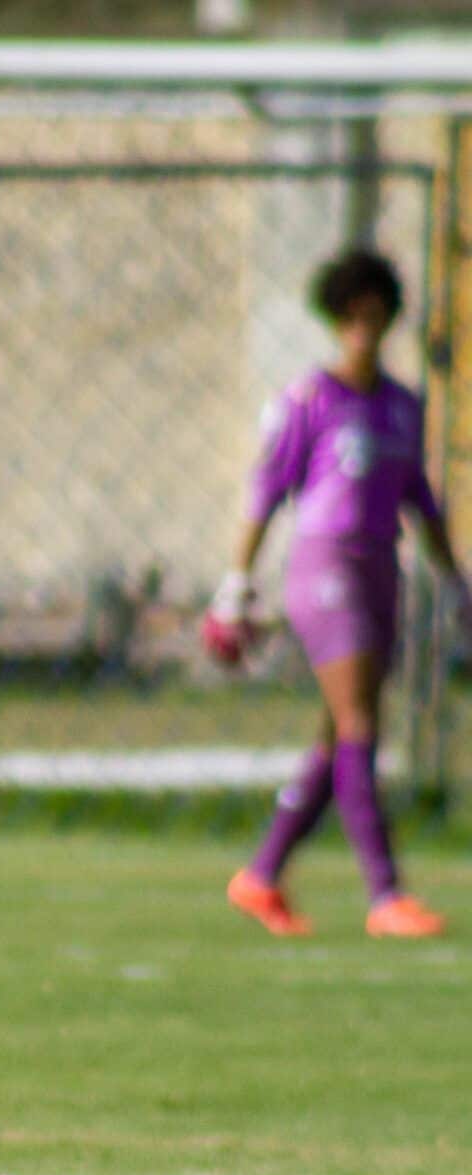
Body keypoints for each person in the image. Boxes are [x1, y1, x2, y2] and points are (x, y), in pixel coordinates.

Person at [216, 249, 471, 939]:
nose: (363, 325)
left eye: (374, 312)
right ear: (337, 317)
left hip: (380, 568)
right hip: (325, 567)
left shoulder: (401, 406)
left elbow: (422, 500)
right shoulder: (310, 400)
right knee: (361, 723)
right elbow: (268, 489)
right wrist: (237, 582)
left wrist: (454, 583)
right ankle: (385, 894)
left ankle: (262, 873)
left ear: (386, 315)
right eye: (350, 313)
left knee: (338, 736)